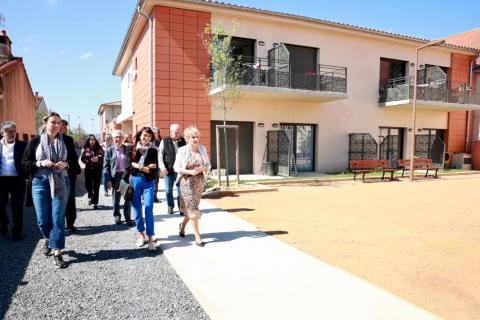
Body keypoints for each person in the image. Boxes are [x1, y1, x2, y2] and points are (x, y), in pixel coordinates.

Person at [22, 112, 70, 268]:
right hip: (39, 183)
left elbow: (74, 165)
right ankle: (49, 239)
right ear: (45, 123)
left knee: (57, 218)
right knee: (43, 220)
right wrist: (41, 163)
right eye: (53, 122)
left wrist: (66, 165)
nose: (56, 125)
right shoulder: (35, 141)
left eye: (59, 122)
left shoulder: (66, 141)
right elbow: (24, 163)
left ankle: (57, 252)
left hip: (60, 182)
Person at [174, 126, 211, 247]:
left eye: (197, 137)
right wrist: (190, 172)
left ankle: (182, 227)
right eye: (193, 137)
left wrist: (203, 168)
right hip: (186, 182)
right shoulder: (182, 150)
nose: (196, 139)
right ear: (187, 138)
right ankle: (197, 236)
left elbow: (208, 165)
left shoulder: (202, 148)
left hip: (199, 182)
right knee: (193, 210)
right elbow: (176, 167)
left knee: (192, 209)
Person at [125, 127, 158, 250]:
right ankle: (141, 235)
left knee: (149, 209)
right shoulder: (131, 148)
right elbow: (128, 166)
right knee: (137, 210)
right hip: (135, 181)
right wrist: (143, 167)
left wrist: (141, 166)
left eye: (149, 136)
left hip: (149, 182)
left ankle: (150, 239)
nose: (147, 138)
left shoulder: (153, 150)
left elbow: (154, 166)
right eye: (145, 135)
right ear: (140, 135)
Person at [0, 121, 27, 241]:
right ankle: (4, 223)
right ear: (2, 133)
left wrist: (26, 176)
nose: (12, 134)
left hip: (17, 180)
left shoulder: (22, 145)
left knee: (17, 208)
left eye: (13, 131)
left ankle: (17, 231)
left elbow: (27, 161)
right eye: (8, 131)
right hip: (1, 181)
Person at [103, 130, 133, 226]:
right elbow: (106, 167)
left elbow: (131, 163)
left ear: (123, 138)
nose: (118, 139)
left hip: (126, 175)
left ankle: (128, 217)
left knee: (128, 197)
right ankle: (117, 216)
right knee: (116, 198)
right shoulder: (109, 150)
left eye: (120, 137)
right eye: (116, 137)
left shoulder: (128, 149)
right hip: (115, 176)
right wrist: (107, 180)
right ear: (113, 138)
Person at [159, 123, 186, 215]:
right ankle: (170, 206)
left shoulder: (183, 141)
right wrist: (162, 167)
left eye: (179, 132)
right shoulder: (164, 141)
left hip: (179, 171)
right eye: (176, 132)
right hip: (168, 170)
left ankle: (181, 208)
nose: (178, 134)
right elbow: (160, 156)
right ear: (170, 132)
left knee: (180, 191)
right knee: (168, 190)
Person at [60, 120, 81, 232]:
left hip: (68, 173)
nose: (63, 128)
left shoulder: (68, 140)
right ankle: (59, 224)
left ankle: (70, 223)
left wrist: (72, 169)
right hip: (55, 174)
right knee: (58, 200)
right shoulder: (49, 139)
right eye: (62, 126)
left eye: (64, 127)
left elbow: (73, 156)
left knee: (70, 199)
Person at [80, 135, 104, 210]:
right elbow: (82, 158)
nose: (92, 141)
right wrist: (88, 161)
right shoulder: (85, 148)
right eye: (91, 139)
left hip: (97, 169)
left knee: (96, 186)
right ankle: (90, 195)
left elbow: (103, 156)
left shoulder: (99, 148)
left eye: (94, 139)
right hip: (88, 169)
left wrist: (98, 158)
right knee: (87, 184)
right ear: (88, 140)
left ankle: (95, 203)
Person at [151, 127, 162, 203]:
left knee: (156, 181)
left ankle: (154, 197)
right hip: (148, 164)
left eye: (156, 133)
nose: (155, 134)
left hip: (157, 164)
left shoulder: (159, 142)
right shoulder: (147, 141)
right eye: (154, 133)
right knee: (148, 180)